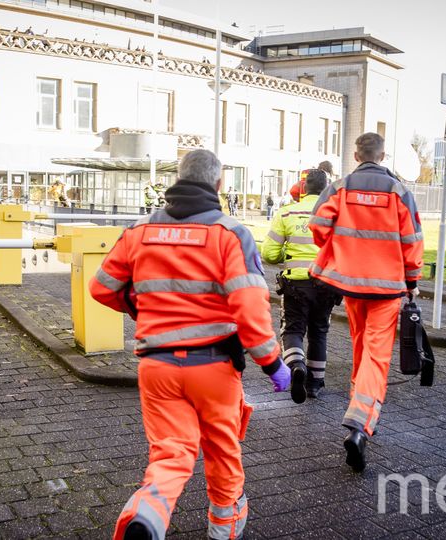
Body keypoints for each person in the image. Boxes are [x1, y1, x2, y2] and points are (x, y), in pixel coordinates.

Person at [90, 149, 290, 540]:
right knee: (221, 449)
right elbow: (250, 306)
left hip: (157, 366)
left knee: (171, 451)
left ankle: (147, 515)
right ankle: (223, 527)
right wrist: (271, 363)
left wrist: (138, 307)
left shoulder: (138, 231)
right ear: (218, 184)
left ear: (177, 178)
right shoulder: (231, 234)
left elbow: (102, 287)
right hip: (213, 367)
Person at [308, 132, 423, 472]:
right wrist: (412, 281)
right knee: (376, 355)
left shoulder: (340, 187)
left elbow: (317, 227)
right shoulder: (400, 191)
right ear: (383, 155)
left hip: (351, 285)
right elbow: (412, 241)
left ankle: (359, 406)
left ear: (356, 154)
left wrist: (344, 250)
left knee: (361, 347)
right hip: (387, 288)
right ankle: (360, 422)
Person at [262, 170, 338, 402]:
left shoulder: (286, 213)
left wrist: (287, 252)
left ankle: (296, 365)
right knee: (319, 332)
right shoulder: (337, 216)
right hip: (326, 283)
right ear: (327, 189)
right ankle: (314, 384)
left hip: (295, 284)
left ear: (303, 188)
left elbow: (269, 254)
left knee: (294, 329)